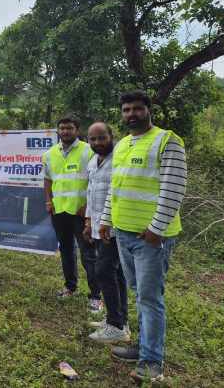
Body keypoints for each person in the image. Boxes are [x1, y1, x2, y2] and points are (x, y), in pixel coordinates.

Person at [100, 91, 186, 383]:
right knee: (139, 294)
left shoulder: (167, 140)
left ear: (149, 110)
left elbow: (173, 189)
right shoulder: (123, 144)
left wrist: (156, 229)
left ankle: (152, 361)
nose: (131, 114)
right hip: (123, 234)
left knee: (150, 299)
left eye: (137, 108)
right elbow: (117, 187)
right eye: (126, 110)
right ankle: (143, 347)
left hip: (151, 239)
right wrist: (106, 220)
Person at [42, 116, 101, 312]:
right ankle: (70, 287)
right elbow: (48, 180)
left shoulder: (88, 150)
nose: (65, 131)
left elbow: (97, 180)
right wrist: (49, 201)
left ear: (77, 130)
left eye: (69, 128)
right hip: (59, 211)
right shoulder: (50, 153)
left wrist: (90, 207)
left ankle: (95, 296)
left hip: (81, 212)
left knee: (88, 254)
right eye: (62, 128)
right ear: (58, 130)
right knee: (66, 251)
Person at [83, 122, 129, 344]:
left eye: (102, 138)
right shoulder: (93, 161)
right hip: (97, 226)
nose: (97, 143)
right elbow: (91, 194)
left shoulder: (120, 159)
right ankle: (119, 320)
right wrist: (88, 222)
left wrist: (106, 223)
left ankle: (115, 325)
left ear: (111, 136)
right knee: (116, 274)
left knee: (104, 272)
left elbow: (118, 193)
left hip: (112, 227)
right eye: (93, 139)